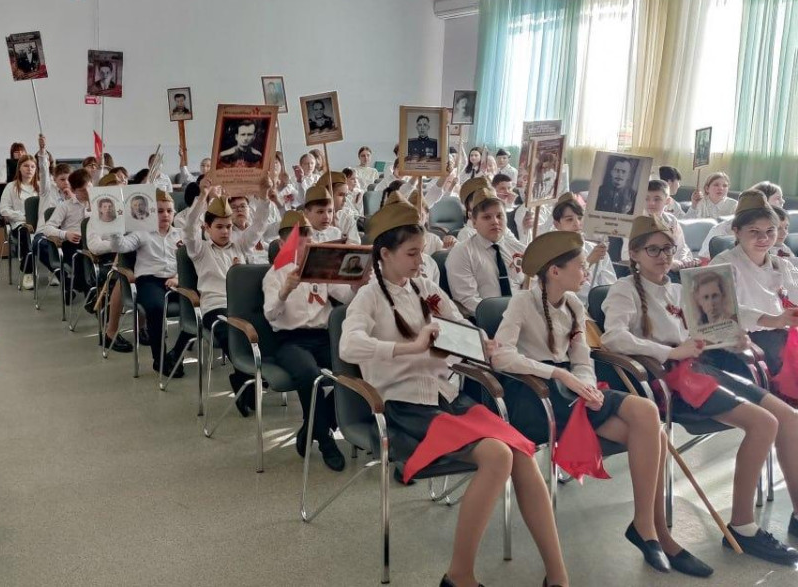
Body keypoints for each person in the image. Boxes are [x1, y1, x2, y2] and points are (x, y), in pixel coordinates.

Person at [340, 198, 570, 587]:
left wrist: (482, 342)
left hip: (446, 399)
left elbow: (458, 323)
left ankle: (558, 575)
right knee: (498, 454)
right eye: (411, 253)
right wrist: (409, 348)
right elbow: (349, 347)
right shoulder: (369, 297)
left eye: (422, 252)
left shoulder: (426, 287)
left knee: (522, 452)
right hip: (405, 409)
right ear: (384, 254)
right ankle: (460, 575)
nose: (420, 261)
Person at [492, 231, 710, 576]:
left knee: (650, 424)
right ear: (554, 271)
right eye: (580, 266)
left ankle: (651, 529)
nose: (586, 271)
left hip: (574, 392)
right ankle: (652, 532)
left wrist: (588, 387)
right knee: (652, 427)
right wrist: (558, 375)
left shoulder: (574, 304)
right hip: (537, 395)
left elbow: (582, 359)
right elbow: (501, 357)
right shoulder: (522, 302)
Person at [603, 214, 798, 566]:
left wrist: (734, 340)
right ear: (634, 253)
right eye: (653, 250)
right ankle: (743, 526)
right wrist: (669, 352)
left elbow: (705, 334)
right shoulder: (624, 289)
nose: (663, 256)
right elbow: (612, 337)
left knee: (787, 416)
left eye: (668, 249)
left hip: (704, 369)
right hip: (671, 381)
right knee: (764, 423)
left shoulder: (681, 289)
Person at [264, 211, 357, 471]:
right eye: (299, 240)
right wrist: (285, 290)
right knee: (309, 375)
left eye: (309, 239)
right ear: (283, 244)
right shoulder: (274, 274)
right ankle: (325, 440)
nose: (305, 244)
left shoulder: (320, 269)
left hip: (323, 337)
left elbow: (347, 297)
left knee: (354, 370)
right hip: (290, 340)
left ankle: (313, 427)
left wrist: (357, 284)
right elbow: (270, 314)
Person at [185, 181, 272, 413]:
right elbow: (189, 227)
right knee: (234, 334)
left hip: (242, 308)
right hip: (216, 308)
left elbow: (259, 225)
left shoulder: (240, 245)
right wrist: (203, 196)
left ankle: (246, 379)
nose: (225, 231)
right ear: (207, 228)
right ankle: (248, 378)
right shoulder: (199, 250)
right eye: (220, 227)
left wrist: (264, 196)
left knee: (269, 328)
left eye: (229, 227)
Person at [710, 191, 798, 380]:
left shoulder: (782, 264)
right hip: (744, 343)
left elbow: (795, 293)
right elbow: (721, 312)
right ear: (736, 231)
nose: (764, 238)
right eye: (754, 231)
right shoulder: (721, 264)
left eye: (770, 231)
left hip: (781, 336)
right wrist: (774, 320)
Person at [108, 190, 189, 376]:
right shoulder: (142, 233)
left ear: (174, 213)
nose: (165, 215)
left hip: (176, 280)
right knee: (156, 308)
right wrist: (115, 227)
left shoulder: (180, 234)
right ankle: (159, 359)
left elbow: (190, 262)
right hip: (150, 281)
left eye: (169, 211)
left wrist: (178, 278)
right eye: (160, 211)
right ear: (151, 213)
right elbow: (120, 246)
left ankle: (176, 354)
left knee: (202, 306)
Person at [446, 182, 526, 317]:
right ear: (474, 222)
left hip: (523, 315)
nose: (495, 221)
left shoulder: (517, 248)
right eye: (487, 217)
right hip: (488, 320)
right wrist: (508, 316)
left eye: (499, 216)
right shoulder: (462, 253)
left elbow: (531, 285)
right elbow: (468, 301)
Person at [549, 193, 616, 302]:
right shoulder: (552, 252)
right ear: (557, 224)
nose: (577, 224)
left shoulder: (596, 250)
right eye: (569, 219)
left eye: (580, 218)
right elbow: (562, 287)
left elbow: (610, 287)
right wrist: (589, 262)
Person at [700, 182, 784, 258]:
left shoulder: (779, 230)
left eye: (769, 230)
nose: (764, 237)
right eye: (778, 198)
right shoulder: (722, 230)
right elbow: (705, 260)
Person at [0, 155, 40, 290]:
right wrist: (23, 218)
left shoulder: (41, 186)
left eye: (33, 166)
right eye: (26, 166)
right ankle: (28, 273)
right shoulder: (11, 187)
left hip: (40, 224)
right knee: (26, 234)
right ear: (19, 168)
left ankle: (54, 271)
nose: (29, 169)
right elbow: (4, 209)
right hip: (20, 224)